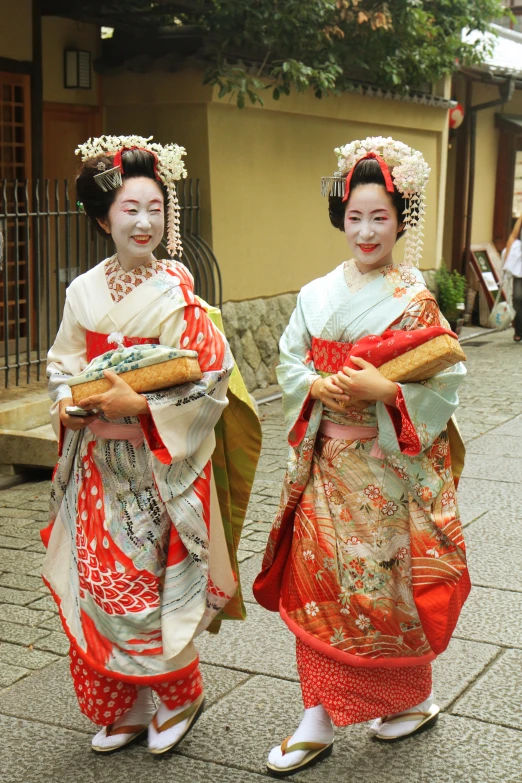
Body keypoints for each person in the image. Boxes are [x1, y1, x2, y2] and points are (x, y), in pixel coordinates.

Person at [253, 137, 470, 777]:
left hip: (385, 471)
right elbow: (290, 360)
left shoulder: (414, 297)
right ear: (340, 219)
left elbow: (446, 381)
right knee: (316, 584)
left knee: (386, 595)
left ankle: (413, 698)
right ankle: (316, 717)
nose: (366, 231)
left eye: (380, 217)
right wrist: (313, 385)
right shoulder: (316, 293)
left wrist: (388, 392)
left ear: (400, 219)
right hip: (326, 467)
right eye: (355, 217)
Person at [42, 135, 261, 754]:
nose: (144, 222)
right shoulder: (82, 292)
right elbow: (62, 362)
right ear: (102, 216)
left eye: (155, 207)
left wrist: (141, 405)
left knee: (148, 590)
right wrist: (68, 403)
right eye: (130, 209)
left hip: (156, 469)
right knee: (100, 587)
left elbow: (211, 379)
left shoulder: (178, 295)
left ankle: (179, 695)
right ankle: (131, 703)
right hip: (95, 468)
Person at [503, 213, 522, 342]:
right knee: (517, 297)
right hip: (520, 264)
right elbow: (513, 236)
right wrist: (507, 260)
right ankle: (519, 330)